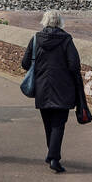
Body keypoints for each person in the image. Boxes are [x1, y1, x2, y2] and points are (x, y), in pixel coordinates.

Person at [20, 10, 83, 173]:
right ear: (60, 22)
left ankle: (52, 153)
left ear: (44, 21)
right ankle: (54, 158)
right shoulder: (66, 40)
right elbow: (74, 65)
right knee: (58, 124)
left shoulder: (36, 39)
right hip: (63, 88)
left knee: (49, 124)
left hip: (42, 88)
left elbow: (25, 64)